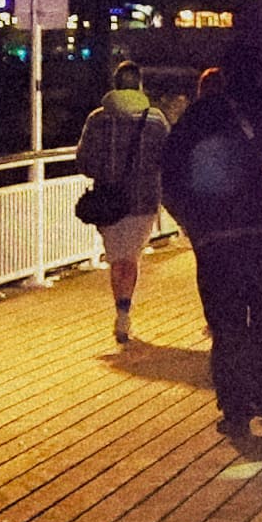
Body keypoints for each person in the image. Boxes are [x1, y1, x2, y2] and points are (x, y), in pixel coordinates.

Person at [161, 64, 262, 435]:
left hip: (216, 240)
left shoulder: (200, 114)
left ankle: (235, 409)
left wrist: (193, 222)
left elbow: (170, 175)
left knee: (226, 325)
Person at [71, 66, 179, 343]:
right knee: (131, 258)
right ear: (140, 86)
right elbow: (169, 159)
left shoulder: (97, 118)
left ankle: (120, 309)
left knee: (116, 257)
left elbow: (84, 162)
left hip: (108, 201)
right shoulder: (155, 120)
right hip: (144, 199)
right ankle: (124, 311)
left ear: (115, 85)